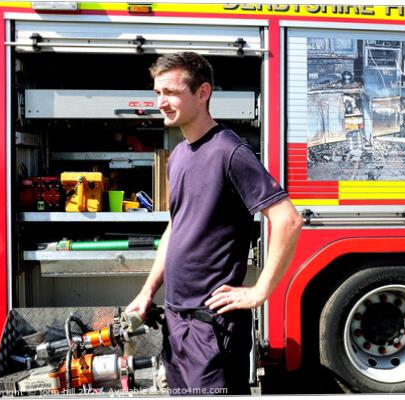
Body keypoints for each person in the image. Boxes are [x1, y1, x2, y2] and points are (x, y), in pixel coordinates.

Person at [126, 52, 303, 395]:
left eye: (172, 92)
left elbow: (288, 220)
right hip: (176, 321)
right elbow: (175, 227)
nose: (161, 102)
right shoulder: (178, 155)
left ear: (203, 92)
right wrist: (147, 291)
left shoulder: (230, 151)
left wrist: (259, 291)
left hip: (211, 328)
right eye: (157, 92)